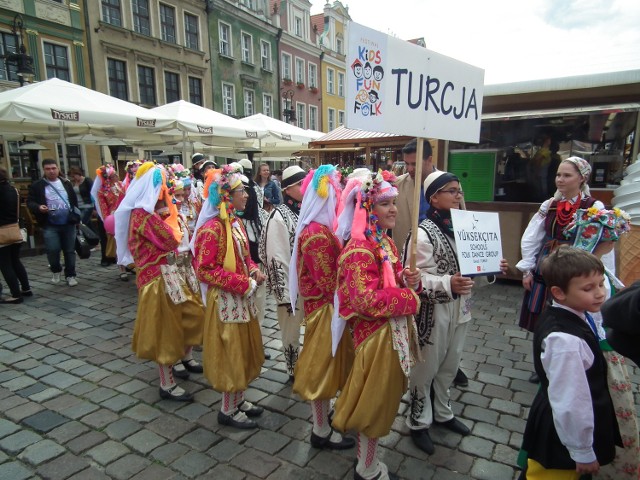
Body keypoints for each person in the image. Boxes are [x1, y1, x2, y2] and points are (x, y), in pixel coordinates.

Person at [403, 171, 509, 455]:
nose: (458, 195)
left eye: (459, 190)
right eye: (451, 191)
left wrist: (491, 268)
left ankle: (443, 411)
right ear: (434, 198)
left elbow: (474, 272)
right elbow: (412, 280)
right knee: (425, 367)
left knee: (451, 363)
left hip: (461, 308)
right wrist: (447, 283)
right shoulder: (422, 234)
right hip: (432, 313)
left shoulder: (467, 228)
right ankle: (418, 419)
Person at [332, 169, 421, 480]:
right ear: (368, 208)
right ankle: (367, 468)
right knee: (374, 403)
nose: (394, 208)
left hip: (390, 334)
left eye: (394, 202)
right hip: (375, 338)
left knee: (383, 398)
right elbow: (365, 301)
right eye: (385, 203)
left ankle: (365, 460)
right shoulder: (358, 251)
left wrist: (409, 280)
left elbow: (393, 282)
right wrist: (410, 298)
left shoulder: (384, 242)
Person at [519, 246, 621, 480]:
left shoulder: (571, 314)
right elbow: (571, 400)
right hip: (561, 436)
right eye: (588, 288)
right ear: (559, 292)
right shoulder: (566, 341)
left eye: (601, 284)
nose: (599, 293)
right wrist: (582, 450)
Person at [564, 207, 639, 479]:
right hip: (598, 352)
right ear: (606, 241)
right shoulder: (593, 277)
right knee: (599, 405)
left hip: (599, 348)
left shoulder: (591, 272)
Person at [114, 162, 199, 402]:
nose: (167, 190)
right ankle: (167, 382)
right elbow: (171, 240)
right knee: (164, 329)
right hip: (156, 279)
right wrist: (169, 215)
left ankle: (184, 359)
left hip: (170, 274)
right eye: (163, 185)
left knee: (188, 316)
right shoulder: (143, 215)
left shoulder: (157, 212)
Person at [192, 164, 266, 429]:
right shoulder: (211, 229)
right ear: (226, 196)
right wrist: (240, 282)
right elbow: (204, 270)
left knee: (243, 349)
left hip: (241, 298)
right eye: (240, 191)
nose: (246, 195)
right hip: (225, 301)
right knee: (230, 352)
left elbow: (246, 257)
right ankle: (227, 409)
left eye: (245, 190)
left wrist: (255, 270)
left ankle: (239, 398)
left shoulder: (234, 222)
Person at [517, 156, 604, 382]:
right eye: (558, 175)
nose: (560, 180)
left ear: (581, 178)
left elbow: (600, 243)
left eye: (567, 175)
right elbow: (531, 237)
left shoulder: (593, 207)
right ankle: (542, 365)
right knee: (541, 315)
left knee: (570, 313)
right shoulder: (550, 205)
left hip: (575, 267)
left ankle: (571, 362)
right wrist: (527, 269)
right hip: (547, 263)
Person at [288, 165, 355, 451]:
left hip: (327, 308)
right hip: (325, 309)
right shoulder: (316, 235)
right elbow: (329, 282)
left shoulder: (319, 231)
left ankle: (324, 420)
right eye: (335, 198)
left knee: (329, 365)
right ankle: (320, 430)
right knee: (322, 368)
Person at [260, 165, 307, 380]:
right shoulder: (279, 216)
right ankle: (292, 368)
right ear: (287, 189)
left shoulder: (305, 209)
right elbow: (276, 257)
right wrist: (285, 295)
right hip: (290, 286)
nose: (303, 187)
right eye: (299, 184)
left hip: (307, 284)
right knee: (290, 330)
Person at [166, 170, 205, 382]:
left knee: (195, 312)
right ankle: (175, 358)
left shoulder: (181, 214)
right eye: (176, 196)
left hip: (187, 267)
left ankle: (187, 354)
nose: (180, 200)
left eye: (182, 195)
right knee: (177, 315)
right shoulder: (165, 218)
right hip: (171, 271)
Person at [236, 159, 271, 359]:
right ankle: (247, 342)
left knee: (258, 304)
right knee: (248, 305)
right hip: (241, 267)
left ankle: (256, 342)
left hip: (256, 262)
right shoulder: (233, 219)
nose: (246, 196)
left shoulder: (259, 214)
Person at [27, 158, 80, 287]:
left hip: (68, 222)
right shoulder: (37, 185)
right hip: (50, 224)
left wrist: (76, 217)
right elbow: (30, 202)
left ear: (58, 169)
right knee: (53, 249)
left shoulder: (66, 183)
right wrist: (39, 207)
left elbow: (73, 201)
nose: (51, 171)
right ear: (44, 170)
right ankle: (56, 270)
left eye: (53, 168)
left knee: (69, 250)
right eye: (48, 169)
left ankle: (70, 275)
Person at [391, 138, 435, 254]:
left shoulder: (449, 185)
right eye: (406, 163)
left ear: (429, 160)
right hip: (406, 256)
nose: (409, 169)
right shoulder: (397, 185)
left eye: (415, 164)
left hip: (438, 256)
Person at [0, 166, 31, 304]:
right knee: (15, 260)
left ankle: (15, 294)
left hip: (2, 231)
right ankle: (26, 288)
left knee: (5, 264)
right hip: (14, 228)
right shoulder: (14, 190)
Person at [91, 164, 127, 278]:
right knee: (118, 243)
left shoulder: (121, 185)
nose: (117, 176)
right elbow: (103, 209)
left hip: (125, 216)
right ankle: (121, 267)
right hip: (114, 219)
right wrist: (109, 220)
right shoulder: (102, 192)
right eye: (113, 175)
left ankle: (129, 263)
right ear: (108, 178)